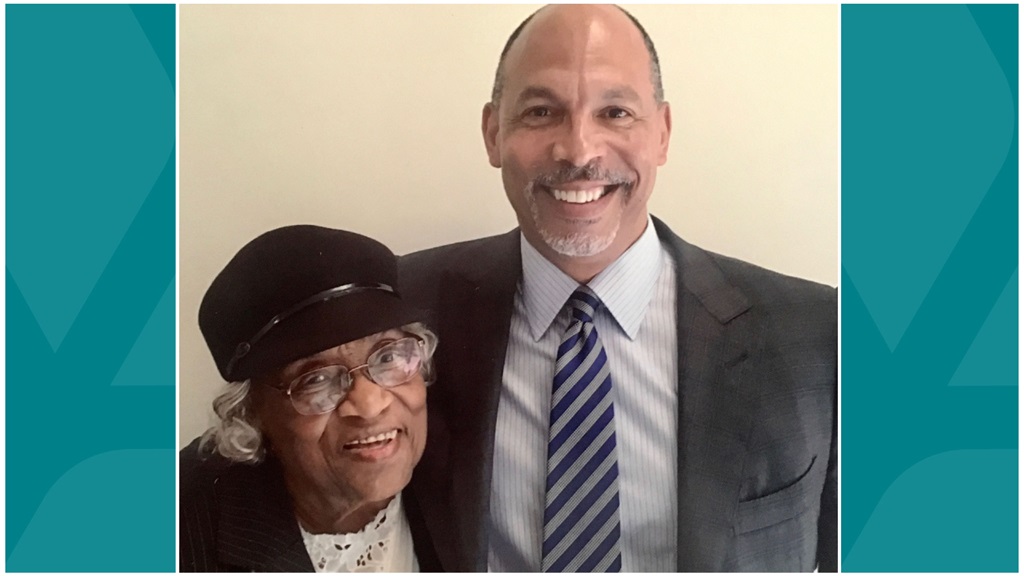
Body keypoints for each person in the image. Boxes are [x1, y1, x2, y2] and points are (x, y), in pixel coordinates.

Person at [400, 4, 837, 572]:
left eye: (615, 111)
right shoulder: (403, 311)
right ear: (492, 132)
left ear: (662, 133)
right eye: (540, 112)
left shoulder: (817, 334)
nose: (579, 151)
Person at [180, 225, 441, 572]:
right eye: (316, 379)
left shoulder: (461, 476)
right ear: (251, 413)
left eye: (388, 356)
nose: (370, 404)